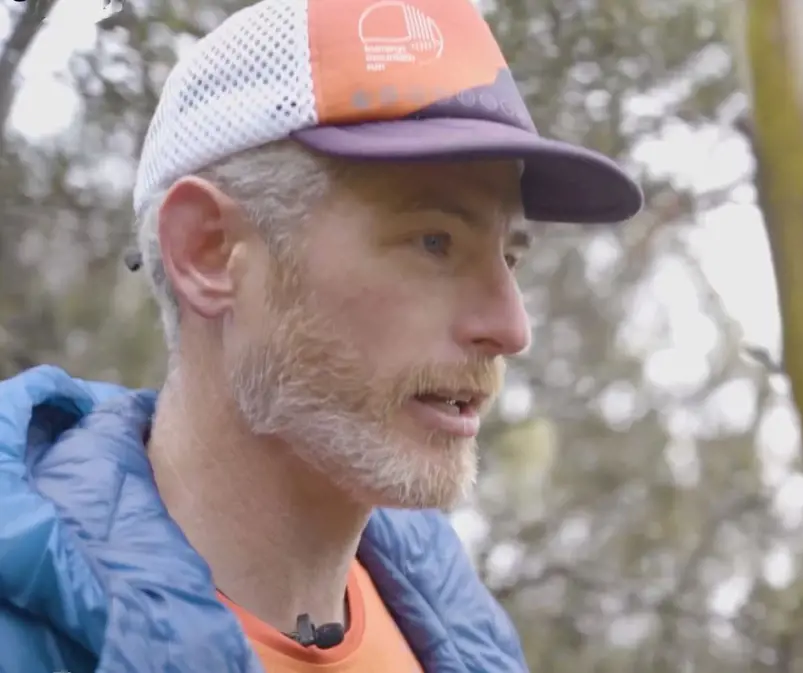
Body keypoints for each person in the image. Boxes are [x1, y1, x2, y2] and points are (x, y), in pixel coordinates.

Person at [0, 0, 642, 670]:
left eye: (509, 256)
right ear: (208, 251)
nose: (511, 329)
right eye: (434, 241)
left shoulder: (461, 637)